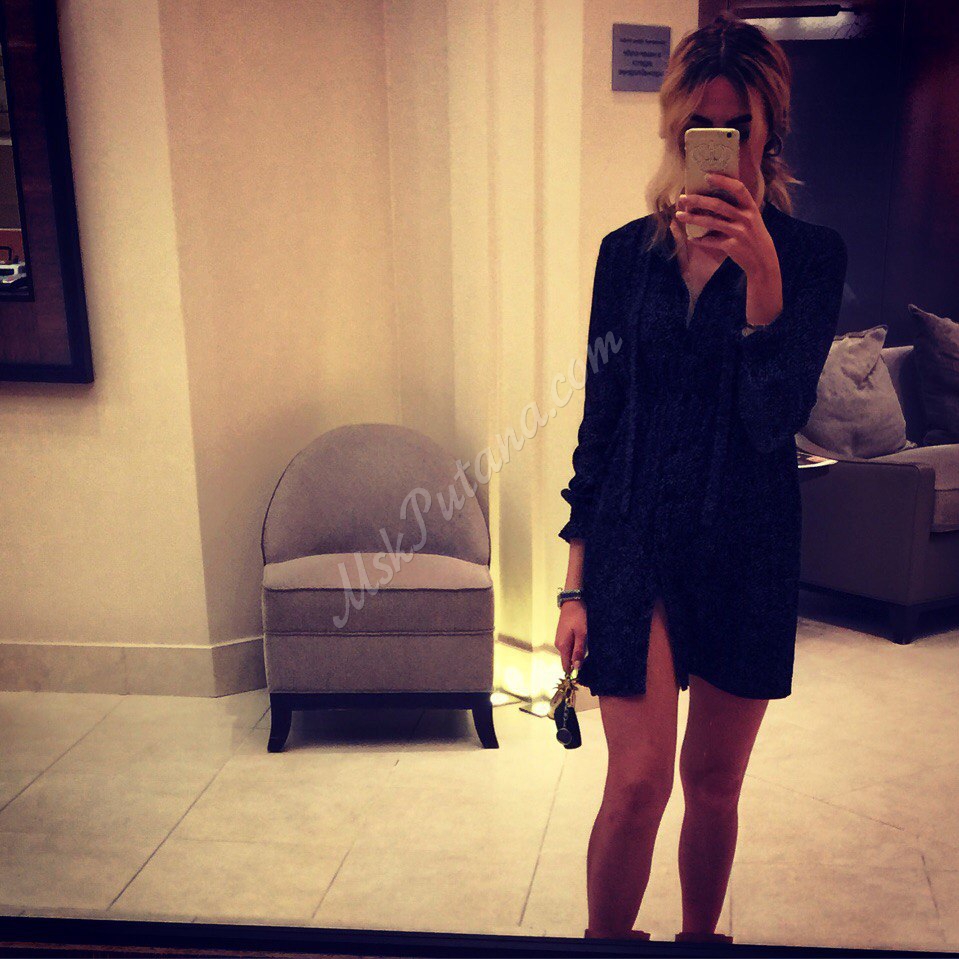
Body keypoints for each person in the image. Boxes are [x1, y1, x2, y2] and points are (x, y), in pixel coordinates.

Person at [553, 12, 848, 945]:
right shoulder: (625, 256)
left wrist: (762, 283)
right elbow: (601, 419)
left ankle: (696, 940)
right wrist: (573, 583)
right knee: (637, 782)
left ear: (769, 131)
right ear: (675, 130)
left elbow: (772, 421)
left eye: (736, 126)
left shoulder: (810, 258)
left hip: (746, 548)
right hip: (634, 536)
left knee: (714, 785)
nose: (715, 143)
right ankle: (605, 943)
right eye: (698, 126)